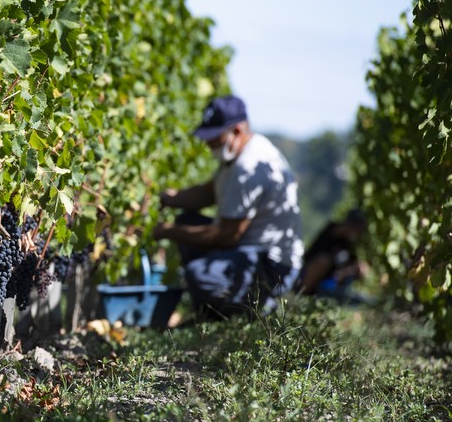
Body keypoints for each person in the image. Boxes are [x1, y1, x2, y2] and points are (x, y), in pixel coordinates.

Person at [153, 95, 304, 318]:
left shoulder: (248, 168)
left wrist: (166, 232)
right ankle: (210, 312)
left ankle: (252, 310)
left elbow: (227, 236)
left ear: (237, 131)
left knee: (200, 275)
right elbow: (209, 192)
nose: (208, 143)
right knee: (186, 223)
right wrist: (169, 198)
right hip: (249, 251)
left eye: (214, 137)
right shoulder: (239, 154)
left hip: (273, 266)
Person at [296, 208, 368, 300]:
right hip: (308, 272)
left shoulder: (349, 243)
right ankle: (300, 295)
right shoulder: (332, 232)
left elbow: (353, 262)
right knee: (324, 261)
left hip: (330, 281)